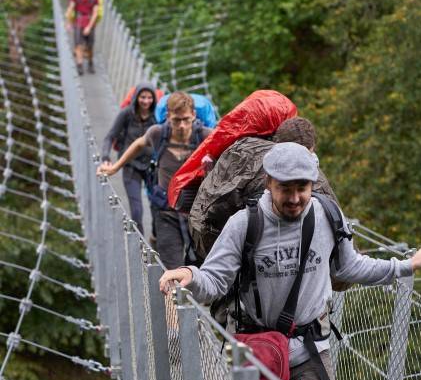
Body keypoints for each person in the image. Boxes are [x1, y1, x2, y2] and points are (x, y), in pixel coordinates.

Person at [159, 142, 421, 380]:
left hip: (312, 347)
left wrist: (406, 265)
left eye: (302, 188)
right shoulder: (244, 224)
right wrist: (189, 275)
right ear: (269, 182)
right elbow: (215, 280)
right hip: (259, 349)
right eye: (285, 189)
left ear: (313, 184)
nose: (294, 199)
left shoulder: (328, 215)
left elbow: (350, 267)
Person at [188, 116, 337, 260]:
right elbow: (340, 243)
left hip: (242, 255)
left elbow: (215, 206)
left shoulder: (245, 153)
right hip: (295, 257)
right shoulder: (316, 177)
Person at [98, 91, 212, 267]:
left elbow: (228, 150)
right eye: (176, 120)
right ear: (168, 117)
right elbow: (138, 144)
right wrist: (114, 167)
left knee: (197, 269)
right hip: (166, 211)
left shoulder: (204, 136)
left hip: (197, 213)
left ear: (194, 116)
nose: (181, 126)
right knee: (171, 267)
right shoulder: (158, 133)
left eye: (186, 120)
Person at [98, 83, 157, 235]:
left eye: (150, 97)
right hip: (130, 165)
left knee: (158, 207)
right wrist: (105, 157)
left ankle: (156, 237)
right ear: (136, 98)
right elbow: (110, 136)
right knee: (137, 210)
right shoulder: (126, 114)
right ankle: (140, 246)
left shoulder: (157, 116)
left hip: (152, 166)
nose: (146, 101)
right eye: (143, 97)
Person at [65, 0, 99, 75]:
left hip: (88, 22)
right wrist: (68, 22)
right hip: (79, 23)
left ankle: (90, 62)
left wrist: (89, 26)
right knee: (78, 45)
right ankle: (79, 65)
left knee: (89, 46)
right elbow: (71, 8)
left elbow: (95, 13)